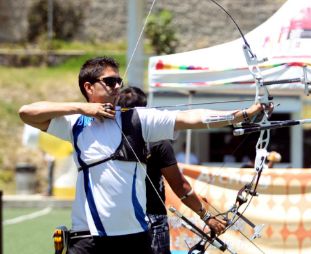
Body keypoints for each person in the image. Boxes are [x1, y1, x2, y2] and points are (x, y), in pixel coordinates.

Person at [18, 56, 266, 254]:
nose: (117, 87)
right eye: (110, 81)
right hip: (89, 237)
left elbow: (189, 118)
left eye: (119, 82)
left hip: (134, 237)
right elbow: (27, 112)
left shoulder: (138, 119)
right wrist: (82, 107)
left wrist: (240, 115)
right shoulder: (76, 123)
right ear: (88, 87)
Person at [118, 87, 225, 254]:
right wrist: (206, 216)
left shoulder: (109, 138)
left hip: (117, 220)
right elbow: (180, 186)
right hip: (151, 219)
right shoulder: (158, 141)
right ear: (145, 110)